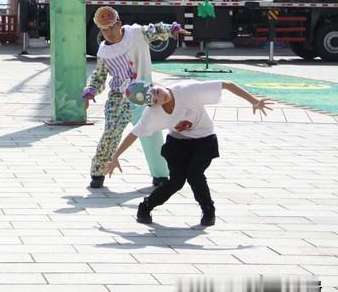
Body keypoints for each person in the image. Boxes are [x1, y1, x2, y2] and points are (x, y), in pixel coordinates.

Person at [104, 80, 272, 226]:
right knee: (176, 181)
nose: (160, 98)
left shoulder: (188, 90)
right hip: (177, 142)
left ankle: (208, 211)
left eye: (156, 92)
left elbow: (226, 85)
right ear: (151, 105)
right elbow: (134, 134)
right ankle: (146, 206)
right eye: (155, 100)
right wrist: (116, 157)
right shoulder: (152, 114)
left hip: (204, 139)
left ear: (156, 84)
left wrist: (254, 101)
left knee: (194, 174)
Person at [83, 6, 189, 189]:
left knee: (151, 133)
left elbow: (154, 30)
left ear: (119, 24)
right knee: (110, 133)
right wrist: (90, 90)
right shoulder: (103, 52)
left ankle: (160, 175)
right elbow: (99, 76)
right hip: (118, 97)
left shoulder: (136, 33)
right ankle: (99, 172)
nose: (109, 33)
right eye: (104, 29)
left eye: (111, 27)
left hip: (145, 94)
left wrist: (171, 28)